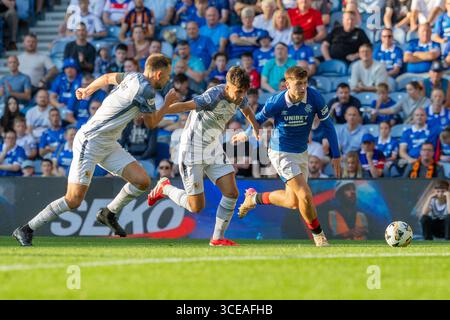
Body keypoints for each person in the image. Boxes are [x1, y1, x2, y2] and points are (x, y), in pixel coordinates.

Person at [12, 54, 179, 246]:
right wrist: (167, 104)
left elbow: (107, 77)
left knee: (142, 181)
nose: (168, 79)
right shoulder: (146, 90)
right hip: (90, 142)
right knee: (73, 199)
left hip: (108, 143)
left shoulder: (133, 76)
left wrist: (88, 89)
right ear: (158, 74)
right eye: (167, 76)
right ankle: (26, 229)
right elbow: (151, 124)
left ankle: (108, 213)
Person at [147, 67, 260, 246]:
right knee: (196, 207)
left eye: (243, 92)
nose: (240, 96)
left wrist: (255, 128)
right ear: (228, 86)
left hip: (212, 147)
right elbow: (184, 106)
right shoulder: (213, 96)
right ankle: (165, 188)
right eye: (238, 92)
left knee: (231, 193)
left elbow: (246, 110)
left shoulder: (240, 93)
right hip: (192, 149)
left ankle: (217, 239)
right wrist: (158, 112)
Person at [235, 66, 341, 247]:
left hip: (301, 152)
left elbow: (328, 126)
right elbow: (259, 118)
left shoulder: (314, 97)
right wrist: (246, 133)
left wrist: (336, 155)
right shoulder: (277, 101)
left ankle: (253, 198)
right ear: (287, 84)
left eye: (305, 84)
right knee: (305, 195)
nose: (302, 88)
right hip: (280, 152)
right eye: (298, 84)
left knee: (292, 202)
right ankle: (320, 237)